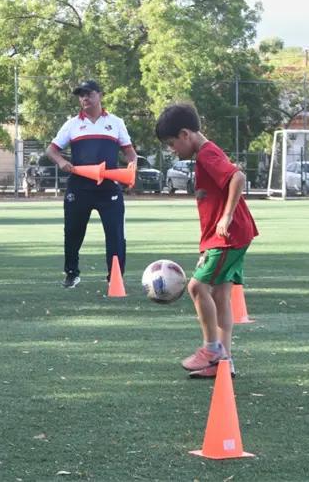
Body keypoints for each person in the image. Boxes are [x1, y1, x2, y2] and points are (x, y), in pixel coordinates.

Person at [155, 102, 258, 378]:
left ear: (186, 134)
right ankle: (223, 362)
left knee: (196, 287)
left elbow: (238, 177)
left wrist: (226, 218)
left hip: (229, 234)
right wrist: (207, 245)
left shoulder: (206, 155)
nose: (172, 150)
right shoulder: (207, 153)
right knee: (221, 295)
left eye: (172, 143)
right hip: (230, 235)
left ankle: (211, 349)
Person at [45, 80, 137, 288]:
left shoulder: (116, 122)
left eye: (89, 93)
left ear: (100, 95)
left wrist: (131, 168)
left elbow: (129, 152)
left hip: (109, 189)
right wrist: (61, 162)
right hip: (79, 188)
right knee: (72, 232)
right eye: (81, 95)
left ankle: (115, 277)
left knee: (115, 234)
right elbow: (51, 150)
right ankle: (72, 273)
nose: (84, 98)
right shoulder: (72, 124)